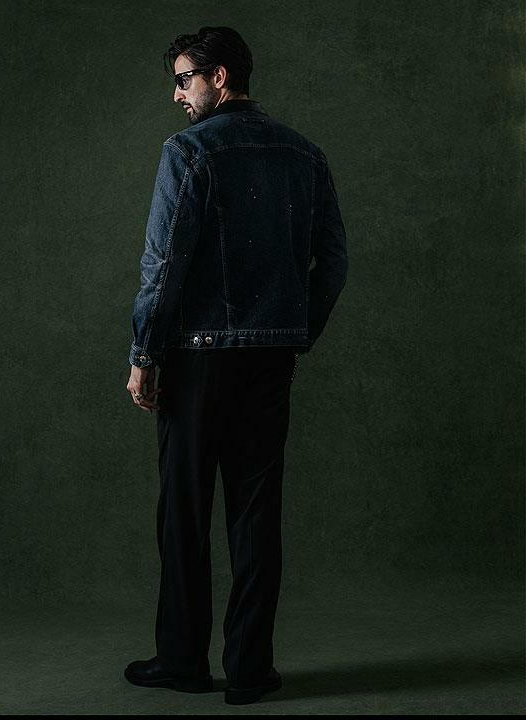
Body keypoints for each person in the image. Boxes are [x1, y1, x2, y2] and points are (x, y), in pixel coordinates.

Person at [123, 26, 348, 705]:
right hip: (269, 363)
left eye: (184, 79)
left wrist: (143, 354)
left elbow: (163, 264)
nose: (176, 95)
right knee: (255, 516)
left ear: (219, 77)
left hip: (196, 362)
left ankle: (182, 662)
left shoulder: (188, 151)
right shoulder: (304, 154)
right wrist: (292, 333)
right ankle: (251, 671)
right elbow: (334, 262)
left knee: (183, 514)